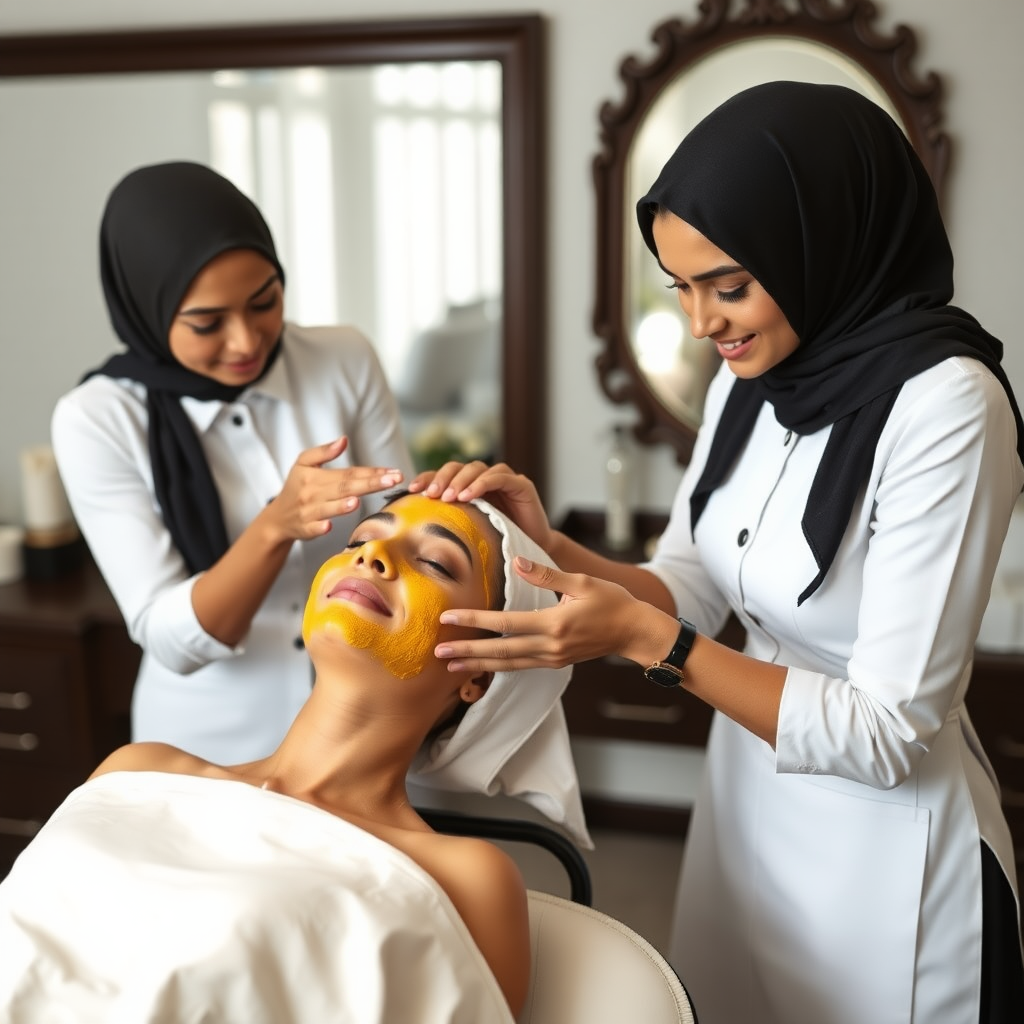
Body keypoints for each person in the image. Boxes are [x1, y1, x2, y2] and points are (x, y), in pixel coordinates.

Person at [424, 81, 1024, 1023]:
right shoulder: (755, 378)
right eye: (682, 289)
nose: (703, 324)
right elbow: (693, 586)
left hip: (889, 848)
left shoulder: (947, 405)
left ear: (820, 243)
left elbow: (888, 730)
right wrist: (550, 543)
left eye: (729, 286)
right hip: (750, 799)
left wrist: (647, 645)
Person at [0, 492, 586, 1023]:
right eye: (360, 539)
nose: (372, 556)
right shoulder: (139, 770)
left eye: (435, 562)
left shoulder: (465, 878)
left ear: (480, 673)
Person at [51, 160, 428, 765]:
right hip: (205, 747)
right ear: (146, 309)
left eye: (264, 302)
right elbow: (172, 639)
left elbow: (405, 529)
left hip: (366, 724)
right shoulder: (96, 420)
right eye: (207, 323)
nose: (247, 341)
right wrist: (274, 526)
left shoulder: (342, 359)